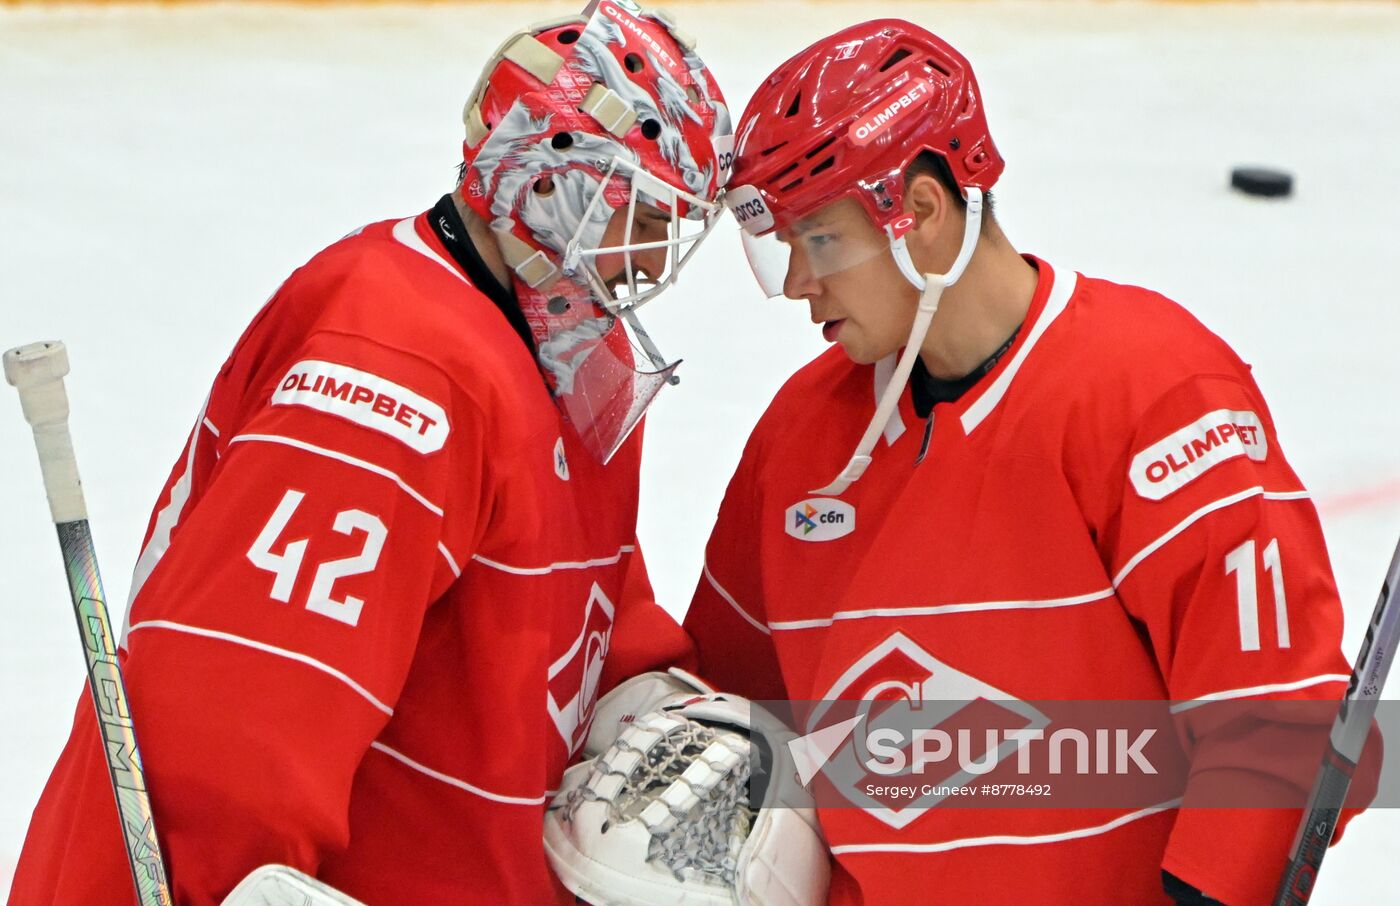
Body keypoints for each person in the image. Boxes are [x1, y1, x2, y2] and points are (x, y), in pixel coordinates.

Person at [11, 3, 731, 903]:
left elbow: (583, 609)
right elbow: (243, 718)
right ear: (549, 183)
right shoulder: (396, 360)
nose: (658, 253)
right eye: (648, 212)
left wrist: (653, 702)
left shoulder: (576, 358)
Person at [684, 19, 1378, 905]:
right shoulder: (800, 441)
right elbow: (727, 703)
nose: (794, 284)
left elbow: (1279, 712)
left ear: (922, 215)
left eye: (819, 241)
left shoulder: (1152, 393)